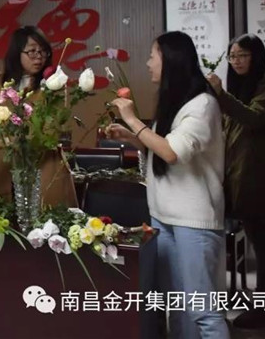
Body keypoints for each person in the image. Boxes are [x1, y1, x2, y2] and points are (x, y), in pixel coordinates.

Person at [108, 31, 228, 339]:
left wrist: (133, 120)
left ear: (170, 60)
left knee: (202, 310)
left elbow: (174, 153)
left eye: (152, 56)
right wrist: (132, 137)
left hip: (193, 221)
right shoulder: (176, 102)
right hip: (164, 215)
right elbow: (162, 147)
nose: (148, 63)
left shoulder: (202, 104)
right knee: (178, 306)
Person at [206, 34, 265, 329]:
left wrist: (221, 94)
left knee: (264, 244)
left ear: (257, 55)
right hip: (243, 176)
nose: (236, 61)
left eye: (243, 55)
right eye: (232, 56)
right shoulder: (244, 85)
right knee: (262, 241)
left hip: (264, 179)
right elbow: (231, 127)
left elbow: (255, 117)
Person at [0, 26, 77, 207]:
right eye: (32, 51)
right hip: (1, 169)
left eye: (43, 51)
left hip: (43, 167)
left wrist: (4, 142)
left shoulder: (53, 86)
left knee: (46, 219)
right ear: (17, 53)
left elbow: (49, 134)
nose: (39, 57)